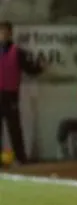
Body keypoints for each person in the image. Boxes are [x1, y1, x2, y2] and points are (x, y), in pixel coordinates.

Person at [0, 20, 43, 166]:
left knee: (15, 128)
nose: (2, 35)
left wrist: (40, 67)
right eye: (1, 32)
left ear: (10, 34)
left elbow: (29, 68)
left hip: (10, 95)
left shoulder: (17, 52)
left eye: (5, 32)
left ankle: (21, 158)